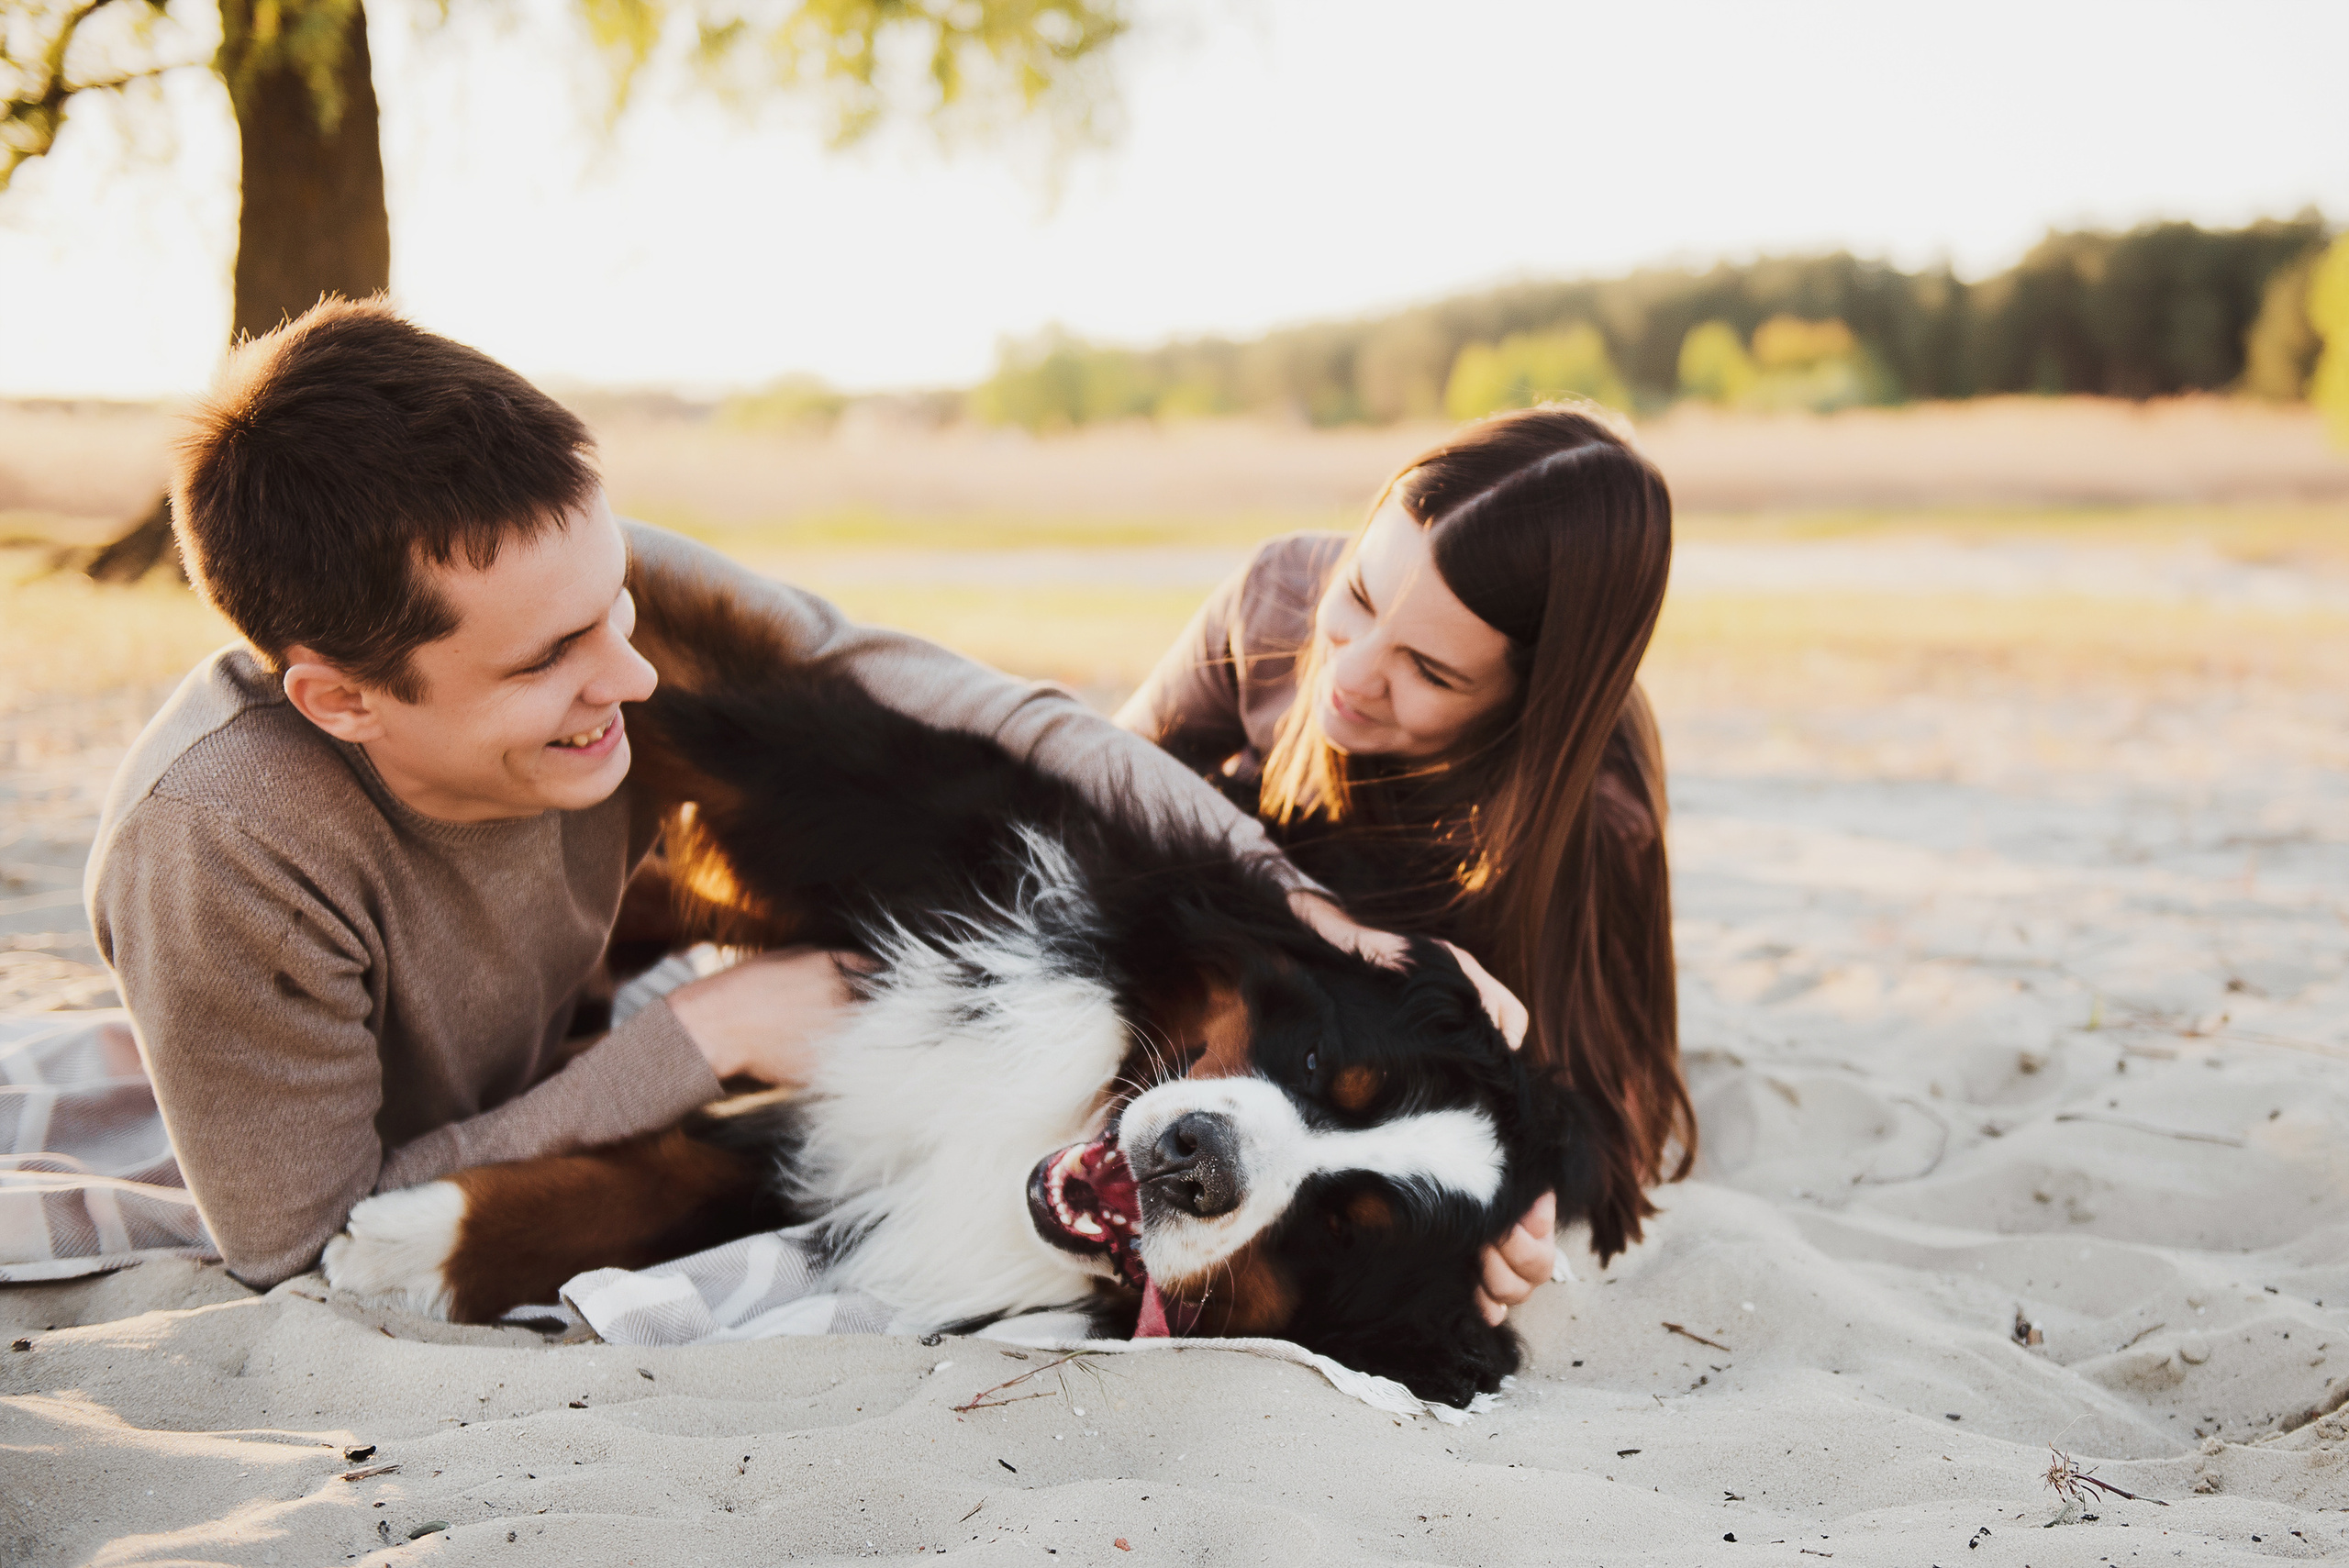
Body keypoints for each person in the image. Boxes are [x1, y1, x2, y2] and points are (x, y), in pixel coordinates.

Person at [83, 297, 1537, 1305]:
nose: (636, 673)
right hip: (480, 1102)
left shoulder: (574, 590)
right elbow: (305, 1242)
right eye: (552, 659)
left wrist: (1300, 910)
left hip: (583, 1019)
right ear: (338, 695)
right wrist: (707, 1036)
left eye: (616, 605)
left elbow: (960, 702)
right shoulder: (219, 850)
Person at [1118, 403, 1695, 1299]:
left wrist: (1519, 1206)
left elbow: (1612, 1112)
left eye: (1430, 670)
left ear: (1523, 705)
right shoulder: (1277, 591)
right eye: (1357, 594)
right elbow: (1099, 793)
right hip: (1225, 991)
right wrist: (1317, 922)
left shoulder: (1600, 819)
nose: (1346, 675)